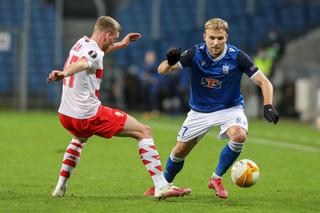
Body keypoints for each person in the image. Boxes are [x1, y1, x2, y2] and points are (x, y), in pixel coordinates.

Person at [47, 16, 191, 199]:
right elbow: (83, 63)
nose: (113, 41)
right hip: (87, 115)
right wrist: (64, 73)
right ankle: (162, 186)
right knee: (143, 131)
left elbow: (93, 54)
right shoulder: (94, 54)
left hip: (66, 114)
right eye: (114, 38)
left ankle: (60, 187)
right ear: (107, 35)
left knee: (79, 139)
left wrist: (122, 44)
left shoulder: (81, 43)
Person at [144, 18, 279, 199]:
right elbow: (162, 70)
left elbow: (264, 81)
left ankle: (216, 178)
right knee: (179, 151)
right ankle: (163, 184)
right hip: (200, 110)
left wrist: (268, 104)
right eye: (212, 38)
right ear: (205, 37)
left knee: (239, 135)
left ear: (226, 38)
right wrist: (169, 61)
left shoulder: (237, 56)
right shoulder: (194, 53)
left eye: (220, 38)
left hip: (229, 108)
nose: (216, 42)